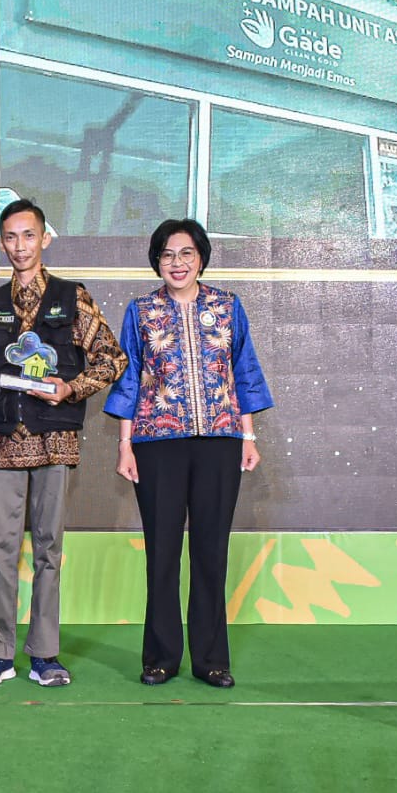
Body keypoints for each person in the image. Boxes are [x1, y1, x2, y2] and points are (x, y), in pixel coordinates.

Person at [0, 198, 126, 688]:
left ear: (44, 239)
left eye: (29, 235)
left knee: (49, 550)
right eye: (11, 237)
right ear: (1, 244)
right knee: (3, 549)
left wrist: (73, 387)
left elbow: (113, 359)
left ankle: (45, 655)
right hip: (5, 443)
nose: (19, 245)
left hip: (56, 442)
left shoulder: (73, 298)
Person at [103, 219, 273, 689]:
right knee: (161, 553)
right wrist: (124, 444)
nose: (176, 263)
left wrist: (249, 436)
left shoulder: (227, 306)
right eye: (167, 255)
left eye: (185, 253)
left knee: (211, 552)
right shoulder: (140, 312)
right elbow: (129, 379)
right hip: (157, 445)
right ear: (156, 261)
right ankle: (159, 657)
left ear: (201, 257)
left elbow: (244, 371)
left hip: (220, 443)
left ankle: (212, 659)